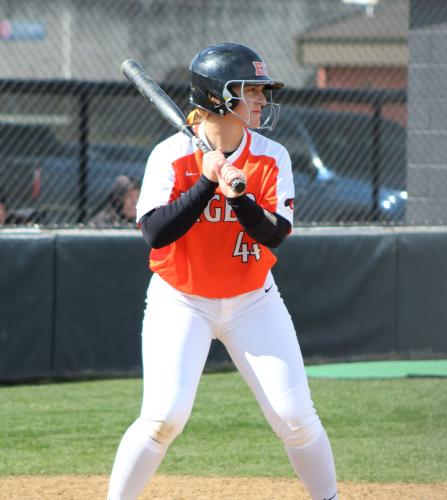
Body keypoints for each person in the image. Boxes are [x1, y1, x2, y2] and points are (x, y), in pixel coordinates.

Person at [107, 42, 338, 500]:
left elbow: (274, 234)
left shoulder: (272, 156)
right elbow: (155, 232)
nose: (260, 100)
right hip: (181, 299)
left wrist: (238, 197)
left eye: (260, 91)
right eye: (249, 91)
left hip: (252, 299)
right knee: (164, 416)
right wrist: (206, 182)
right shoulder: (169, 155)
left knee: (295, 416)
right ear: (216, 97)